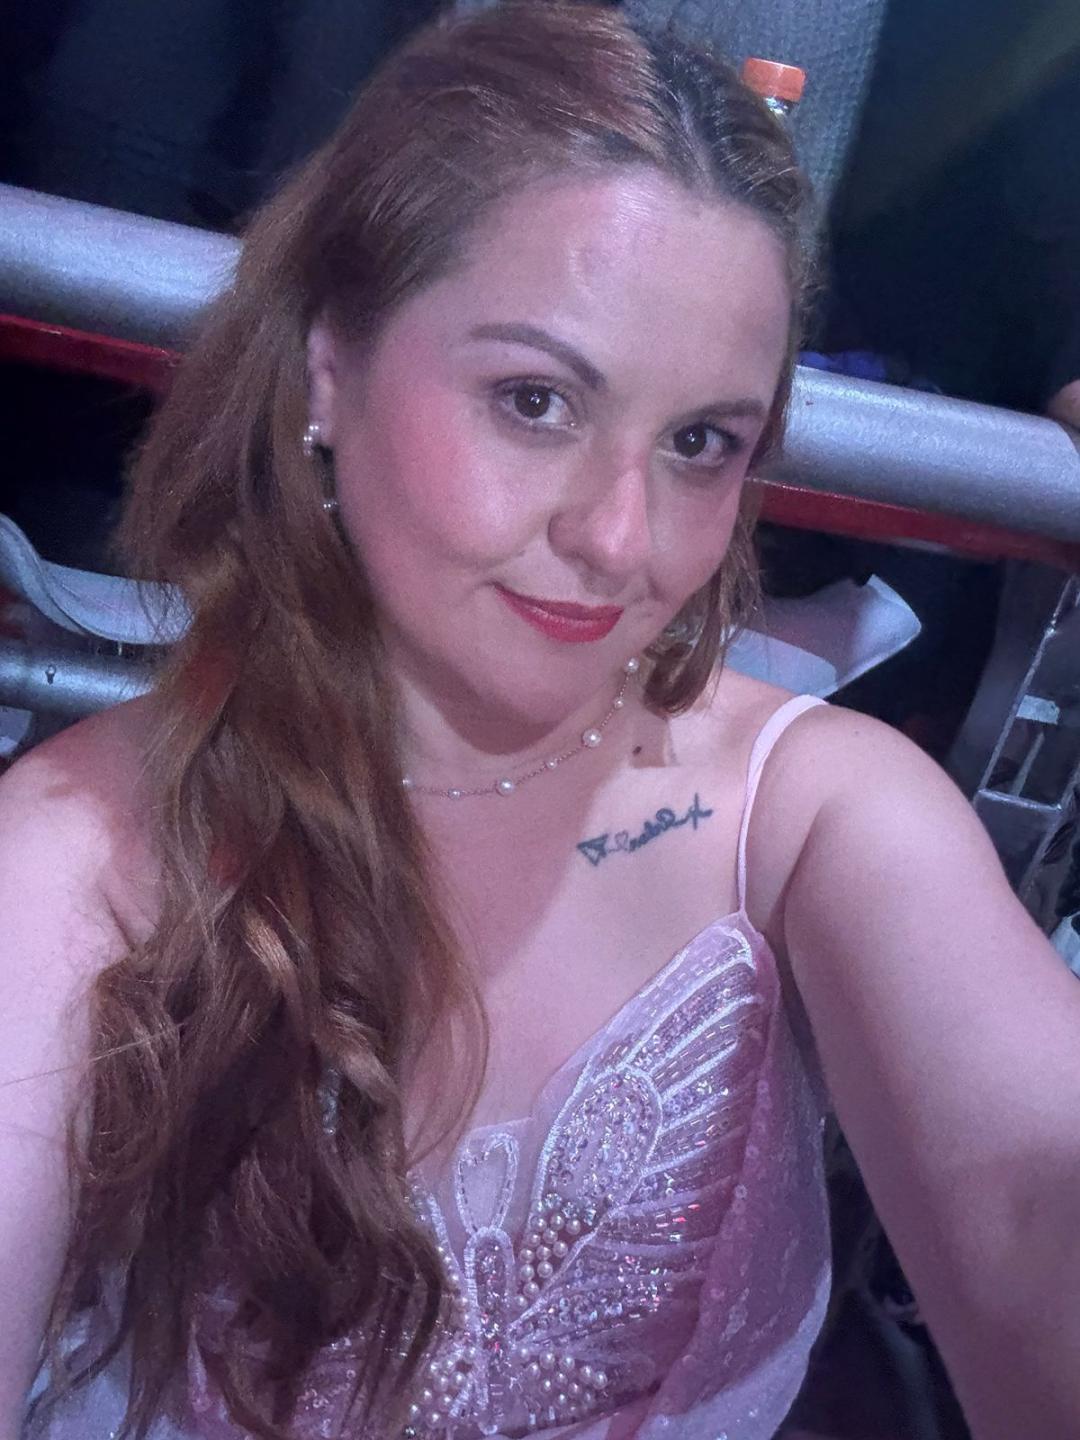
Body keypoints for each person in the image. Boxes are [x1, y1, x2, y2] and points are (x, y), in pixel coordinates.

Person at [2, 5, 1078, 1438]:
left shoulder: (816, 815)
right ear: (330, 368)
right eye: (534, 400)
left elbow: (1031, 1199)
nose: (622, 538)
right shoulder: (84, 853)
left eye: (701, 442)